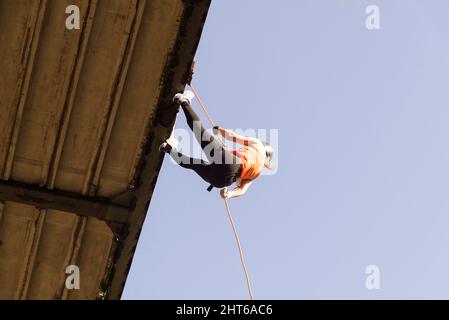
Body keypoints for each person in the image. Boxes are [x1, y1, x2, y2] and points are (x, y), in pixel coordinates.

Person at [160, 90, 274, 199]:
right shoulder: (256, 173)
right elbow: (242, 190)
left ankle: (183, 101)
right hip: (221, 181)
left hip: (231, 162)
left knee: (200, 132)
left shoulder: (258, 145)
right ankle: (167, 148)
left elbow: (232, 137)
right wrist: (228, 194)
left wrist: (220, 130)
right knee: (193, 163)